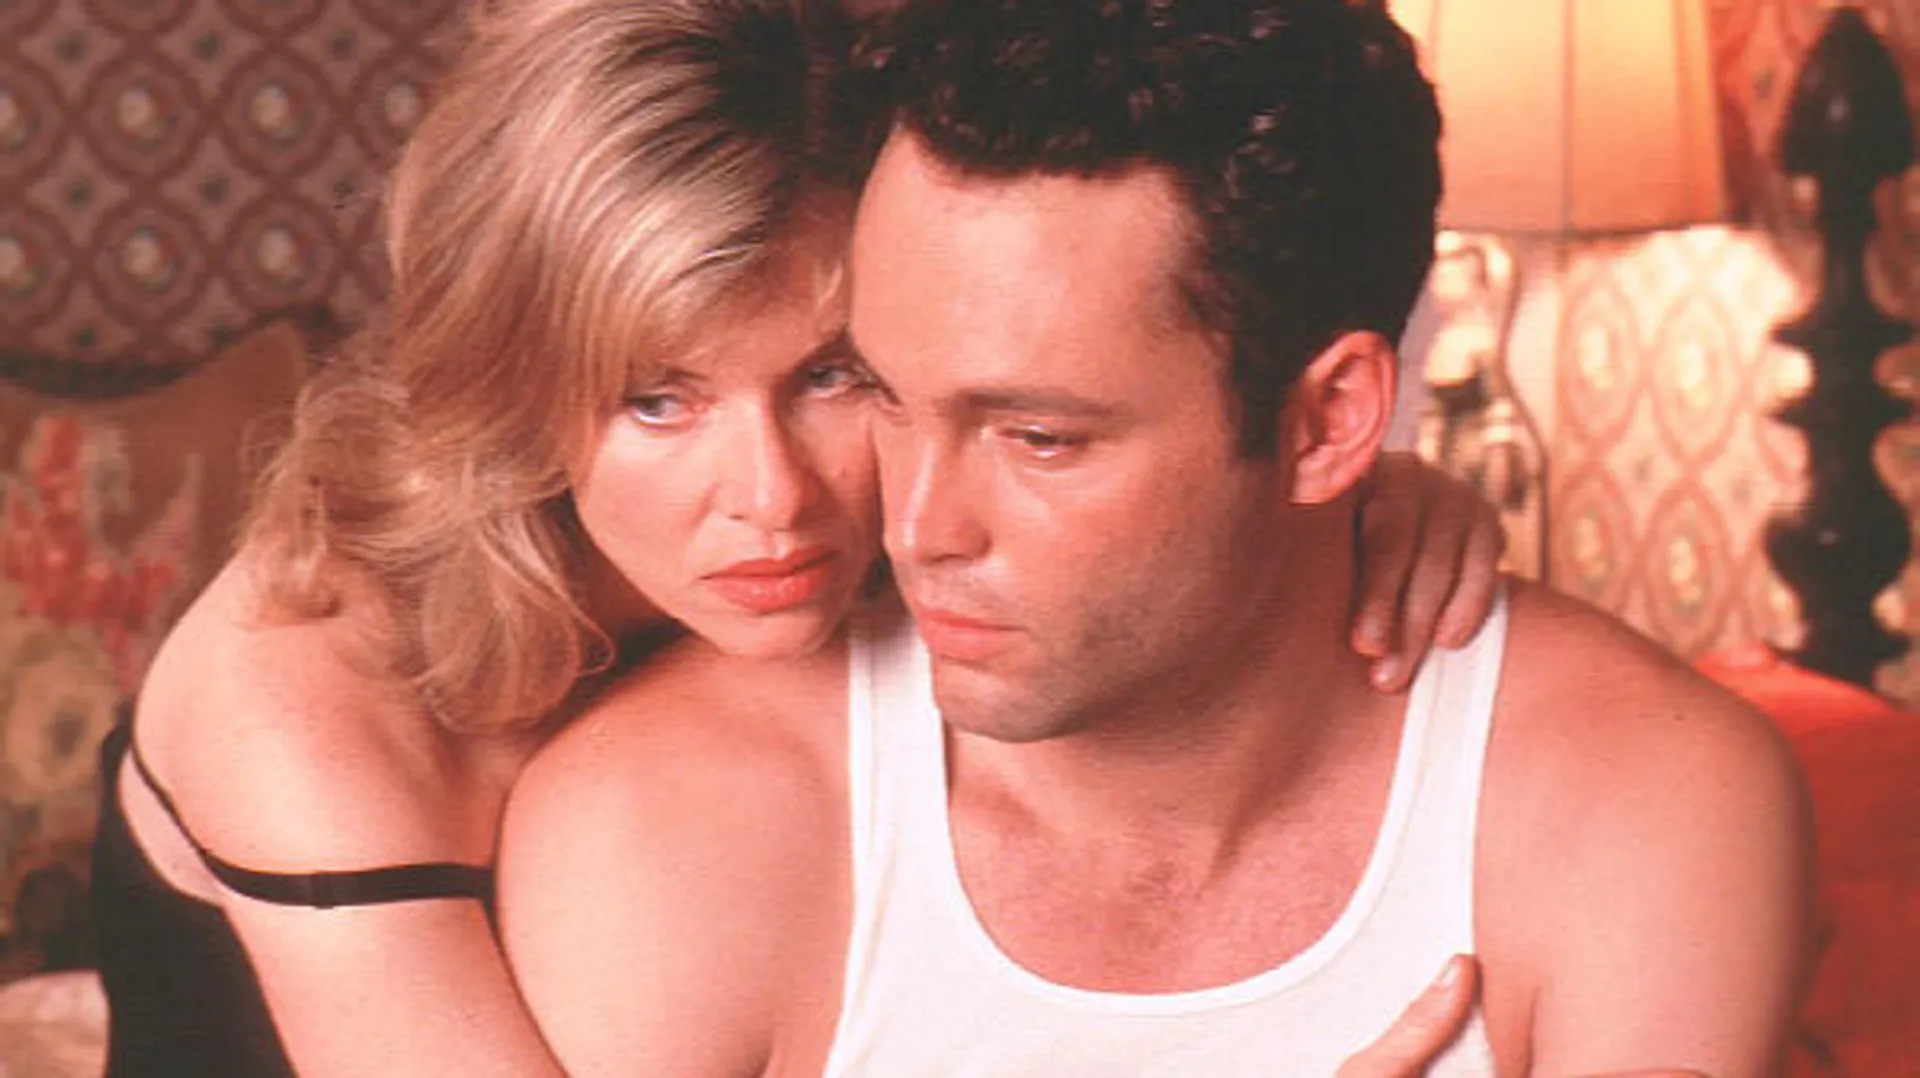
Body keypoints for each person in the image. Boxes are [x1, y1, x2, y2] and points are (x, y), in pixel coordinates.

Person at [87, 0, 1504, 1074]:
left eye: (831, 375)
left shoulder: (910, 504)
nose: (772, 498)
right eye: (658, 400)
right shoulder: (309, 693)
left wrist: (1351, 494)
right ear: (521, 382)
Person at [496, 0, 1816, 1075]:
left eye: (1038, 437)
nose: (915, 527)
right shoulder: (667, 824)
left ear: (1330, 422)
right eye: (883, 391)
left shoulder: (1636, 801)